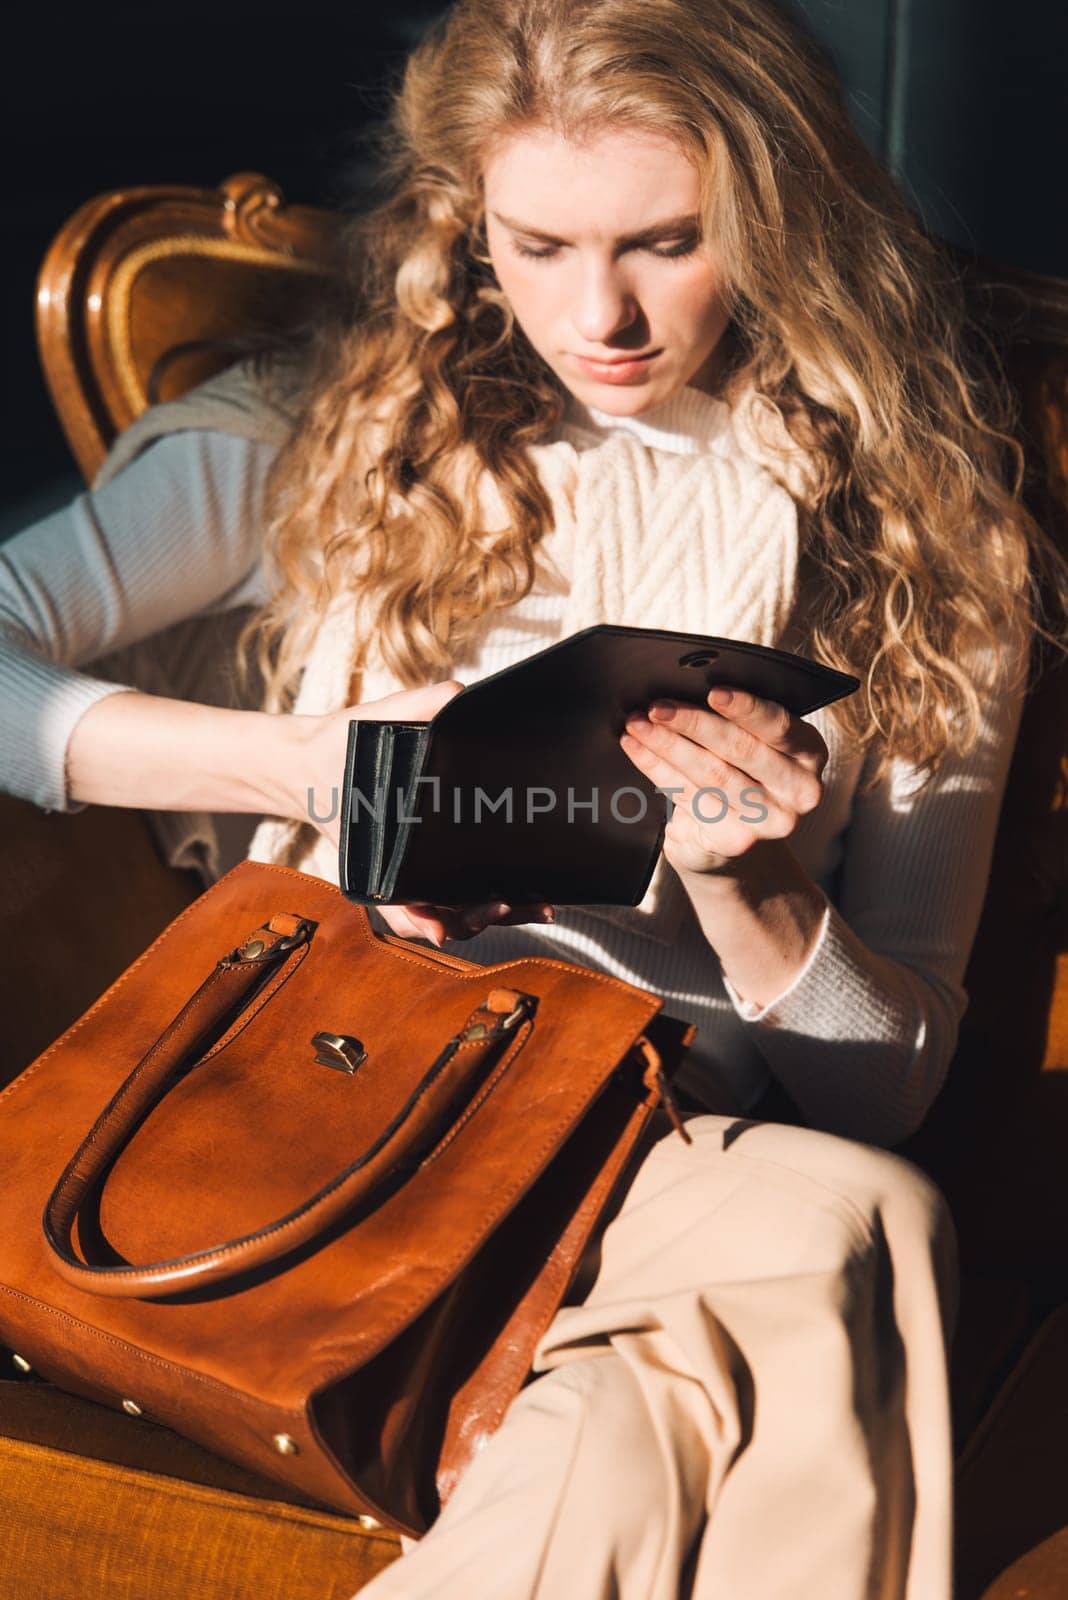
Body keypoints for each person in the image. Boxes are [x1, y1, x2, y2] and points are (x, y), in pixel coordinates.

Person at [2, 1, 1066, 1595]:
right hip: (330, 1093)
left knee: (835, 1222)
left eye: (668, 241)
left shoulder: (916, 540)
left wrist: (756, 899)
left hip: (656, 1151)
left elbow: (883, 1091)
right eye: (540, 244)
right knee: (832, 1249)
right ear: (464, 224)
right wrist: (321, 771)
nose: (605, 313)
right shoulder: (334, 436)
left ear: (777, 217)